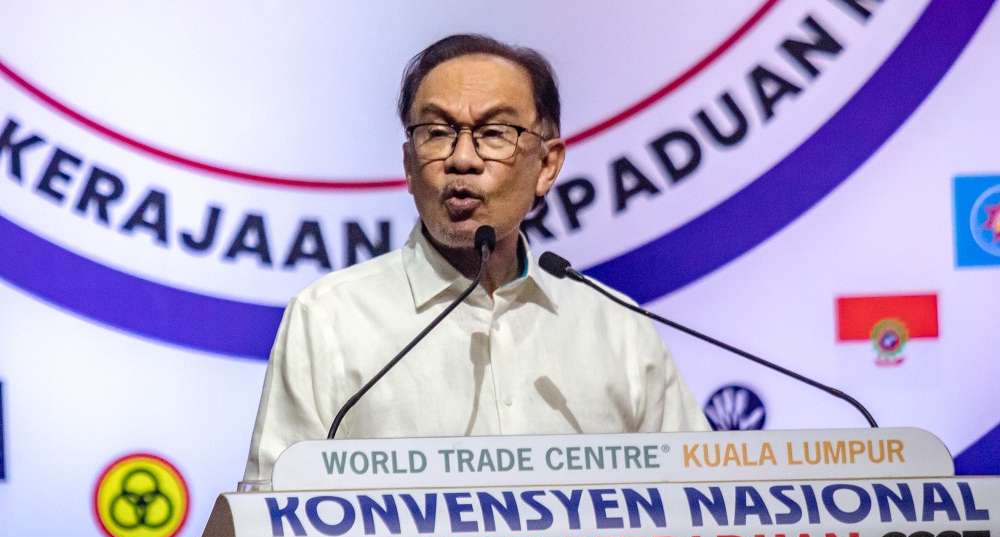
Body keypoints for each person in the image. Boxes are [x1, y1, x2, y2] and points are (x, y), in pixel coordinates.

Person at [243, 34, 709, 483]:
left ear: (546, 166)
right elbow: (268, 525)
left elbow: (705, 512)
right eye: (437, 132)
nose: (462, 158)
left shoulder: (617, 327)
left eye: (493, 133)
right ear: (409, 165)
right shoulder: (329, 318)